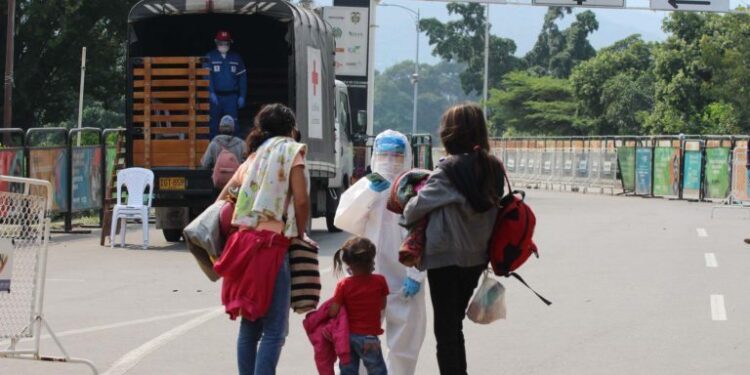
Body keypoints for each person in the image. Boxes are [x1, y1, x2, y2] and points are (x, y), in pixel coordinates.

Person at [402, 103, 504, 375]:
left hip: (445, 258)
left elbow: (414, 209)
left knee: (446, 332)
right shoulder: (493, 168)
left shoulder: (448, 171)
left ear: (451, 134)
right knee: (453, 326)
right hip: (477, 258)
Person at [213, 103, 311, 375]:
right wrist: (300, 232)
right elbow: (301, 200)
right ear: (292, 128)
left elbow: (222, 200)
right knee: (275, 330)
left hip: (242, 244)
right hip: (270, 245)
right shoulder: (292, 150)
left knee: (250, 324)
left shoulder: (253, 158)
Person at [334, 129, 427, 375]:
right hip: (367, 279)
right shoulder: (368, 186)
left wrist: (417, 274)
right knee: (359, 345)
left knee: (404, 348)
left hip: (405, 280)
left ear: (406, 158)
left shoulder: (416, 187)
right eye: (385, 155)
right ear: (376, 156)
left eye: (396, 156)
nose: (390, 161)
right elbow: (343, 219)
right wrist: (369, 192)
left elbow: (424, 233)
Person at [329, 237, 389, 375]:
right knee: (377, 371)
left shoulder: (343, 285)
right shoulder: (380, 281)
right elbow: (382, 305)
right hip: (369, 338)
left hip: (347, 337)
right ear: (371, 262)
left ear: (349, 264)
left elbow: (334, 311)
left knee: (348, 371)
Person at [206, 30, 247, 139]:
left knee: (234, 125)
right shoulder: (210, 57)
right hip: (216, 98)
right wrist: (211, 93)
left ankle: (235, 152)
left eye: (226, 43)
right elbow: (207, 76)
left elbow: (242, 78)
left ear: (230, 43)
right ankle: (214, 151)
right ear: (216, 42)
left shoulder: (236, 57)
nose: (223, 45)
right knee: (213, 125)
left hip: (231, 98)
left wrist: (242, 96)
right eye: (221, 43)